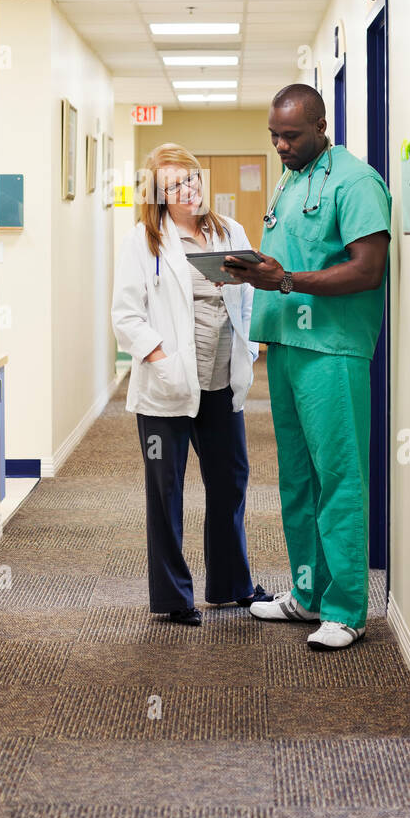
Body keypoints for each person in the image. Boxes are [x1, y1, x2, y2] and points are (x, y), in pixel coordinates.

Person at [222, 84, 392, 651]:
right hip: (288, 345)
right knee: (297, 480)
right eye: (274, 135)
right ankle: (306, 594)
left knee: (339, 479)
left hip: (333, 350)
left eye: (291, 135)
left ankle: (346, 609)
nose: (280, 145)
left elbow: (368, 270)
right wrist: (255, 274)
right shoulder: (292, 181)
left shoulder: (357, 181)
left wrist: (286, 280)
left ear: (322, 125)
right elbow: (288, 260)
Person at [111, 143, 273, 625]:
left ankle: (230, 585)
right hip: (167, 392)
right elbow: (126, 316)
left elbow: (245, 302)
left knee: (230, 484)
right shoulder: (144, 241)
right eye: (175, 184)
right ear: (157, 195)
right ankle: (173, 597)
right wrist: (164, 362)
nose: (189, 189)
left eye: (193, 179)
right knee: (166, 493)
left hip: (222, 383)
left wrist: (247, 350)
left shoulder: (230, 232)